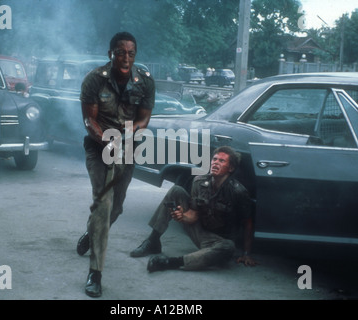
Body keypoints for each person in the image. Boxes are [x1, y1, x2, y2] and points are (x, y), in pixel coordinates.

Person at [77, 31, 155, 297]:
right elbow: (89, 121)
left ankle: (92, 234)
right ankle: (95, 274)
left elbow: (144, 119)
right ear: (110, 53)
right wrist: (108, 142)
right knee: (103, 203)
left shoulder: (144, 82)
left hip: (128, 149)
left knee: (117, 208)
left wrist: (128, 137)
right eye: (120, 52)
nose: (125, 58)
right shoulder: (94, 80)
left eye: (131, 53)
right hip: (99, 148)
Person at [130, 146, 257, 272]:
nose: (215, 163)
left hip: (218, 241)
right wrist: (182, 216)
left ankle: (169, 263)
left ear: (231, 168)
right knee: (176, 190)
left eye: (221, 161)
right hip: (199, 231)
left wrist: (246, 253)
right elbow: (193, 214)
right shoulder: (199, 181)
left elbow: (248, 223)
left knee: (229, 247)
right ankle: (153, 241)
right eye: (214, 159)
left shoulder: (238, 192)